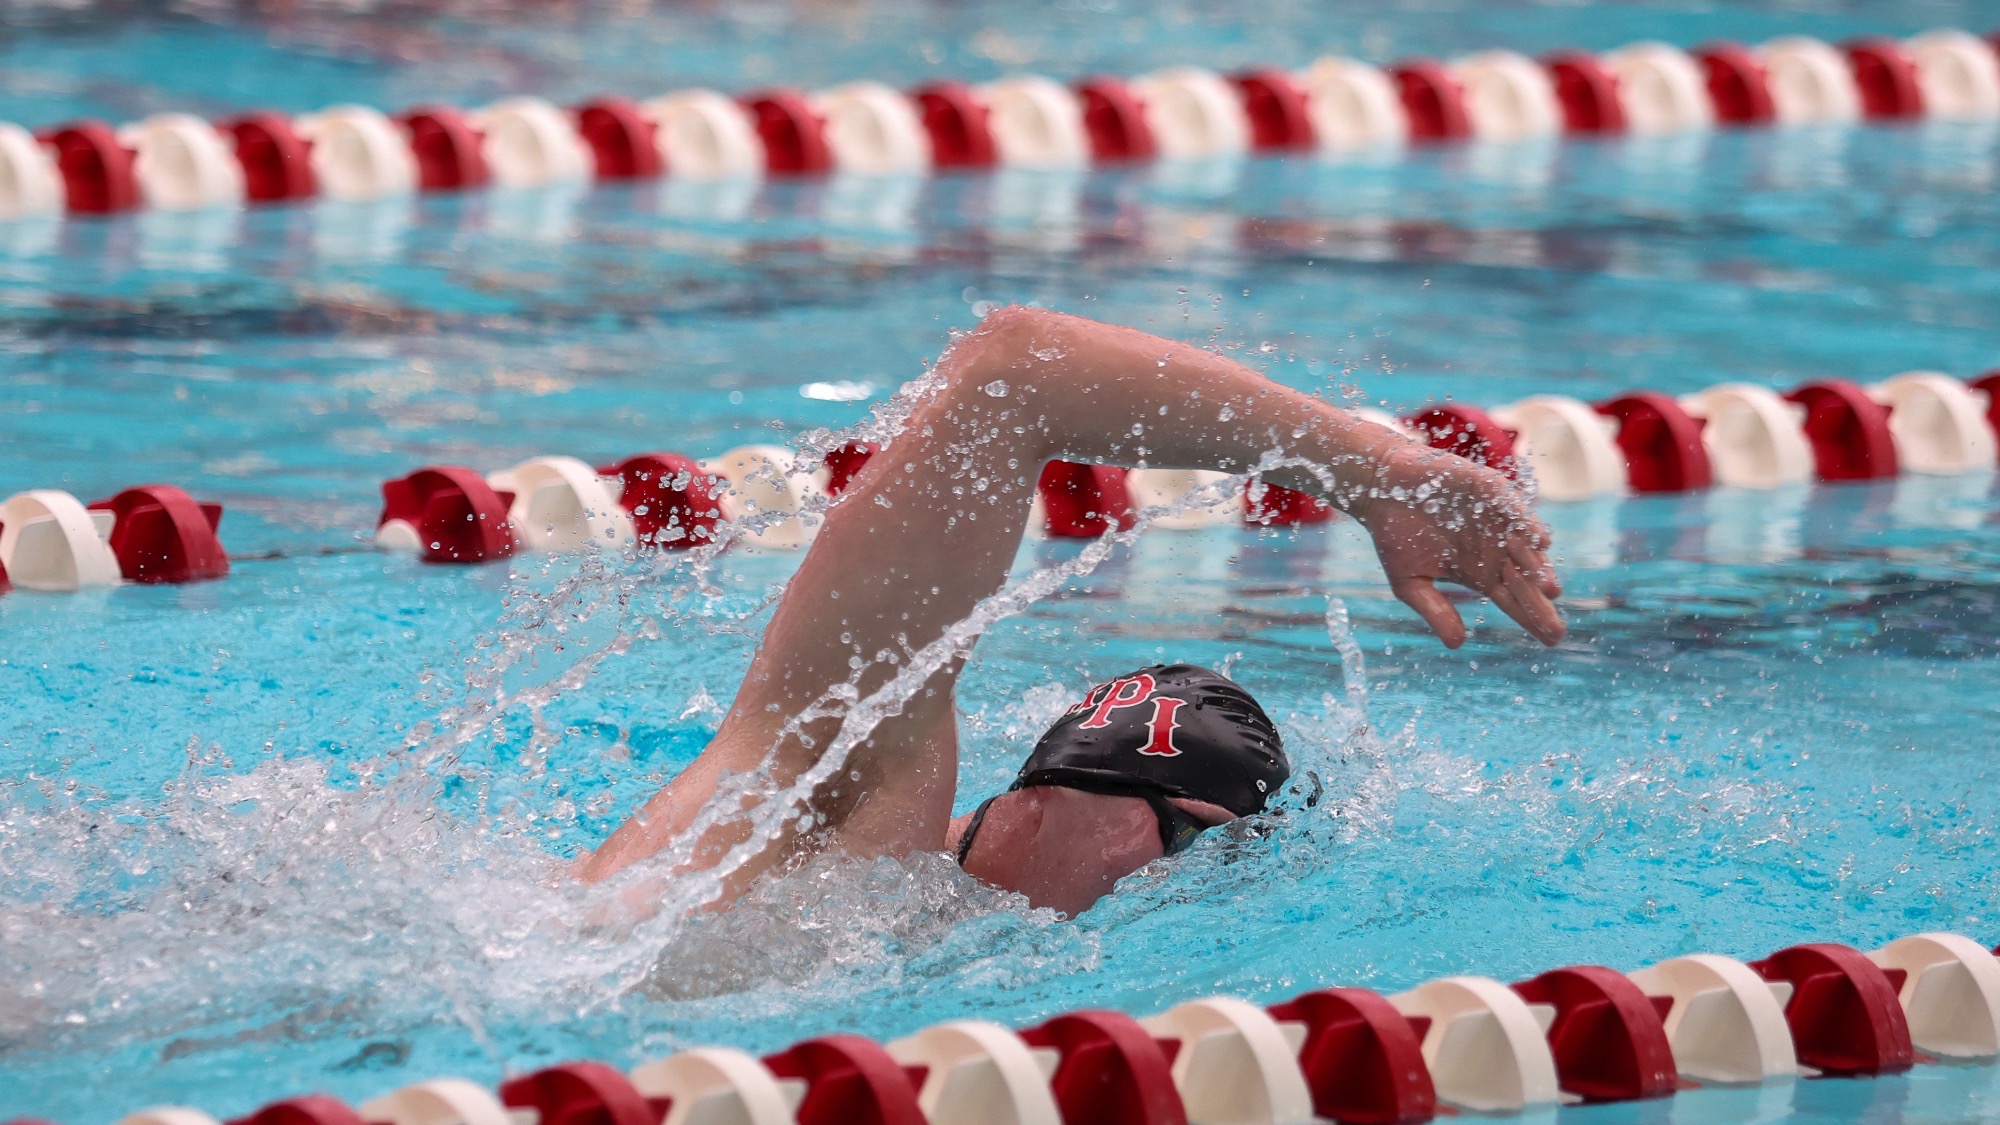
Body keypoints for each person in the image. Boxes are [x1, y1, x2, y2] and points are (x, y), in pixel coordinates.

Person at [577, 307, 1564, 916]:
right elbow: (1013, 370)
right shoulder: (839, 776)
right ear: (1167, 826)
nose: (1167, 897)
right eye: (1196, 860)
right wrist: (1371, 469)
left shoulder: (914, 897)